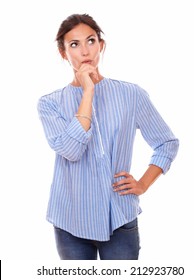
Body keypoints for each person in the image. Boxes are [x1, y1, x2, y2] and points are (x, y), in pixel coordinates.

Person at [37, 13, 179, 260]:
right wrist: (88, 91)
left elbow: (166, 143)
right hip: (70, 221)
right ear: (63, 53)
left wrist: (143, 183)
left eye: (91, 41)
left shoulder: (130, 94)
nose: (85, 51)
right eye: (74, 44)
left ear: (101, 45)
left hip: (120, 219)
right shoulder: (50, 104)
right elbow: (71, 150)